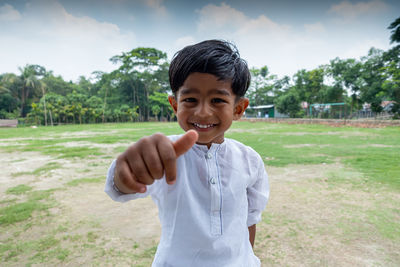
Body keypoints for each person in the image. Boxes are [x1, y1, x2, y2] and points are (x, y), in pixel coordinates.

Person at [105, 39, 269, 267]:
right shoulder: (164, 155)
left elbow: (249, 220)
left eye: (218, 100)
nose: (202, 112)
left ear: (238, 108)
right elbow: (121, 186)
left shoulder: (249, 160)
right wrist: (127, 172)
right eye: (190, 99)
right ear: (175, 105)